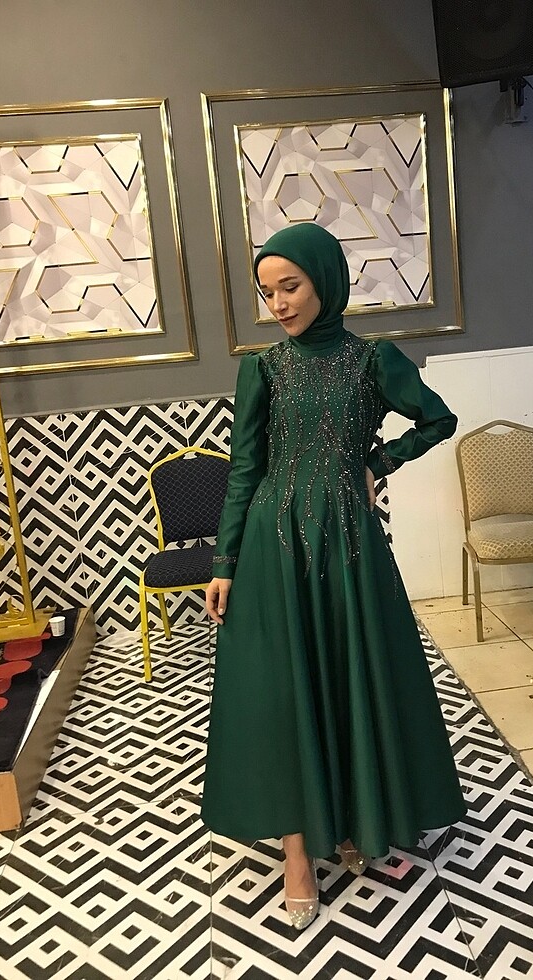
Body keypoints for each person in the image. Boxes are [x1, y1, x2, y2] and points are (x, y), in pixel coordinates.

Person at [201, 223, 466, 930]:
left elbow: (437, 420)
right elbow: (244, 469)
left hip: (348, 543)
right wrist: (224, 562)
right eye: (268, 292)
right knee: (286, 688)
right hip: (273, 544)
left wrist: (378, 462)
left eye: (290, 286)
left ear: (325, 279)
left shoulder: (373, 360)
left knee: (352, 672)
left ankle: (352, 815)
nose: (279, 304)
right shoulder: (262, 370)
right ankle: (296, 850)